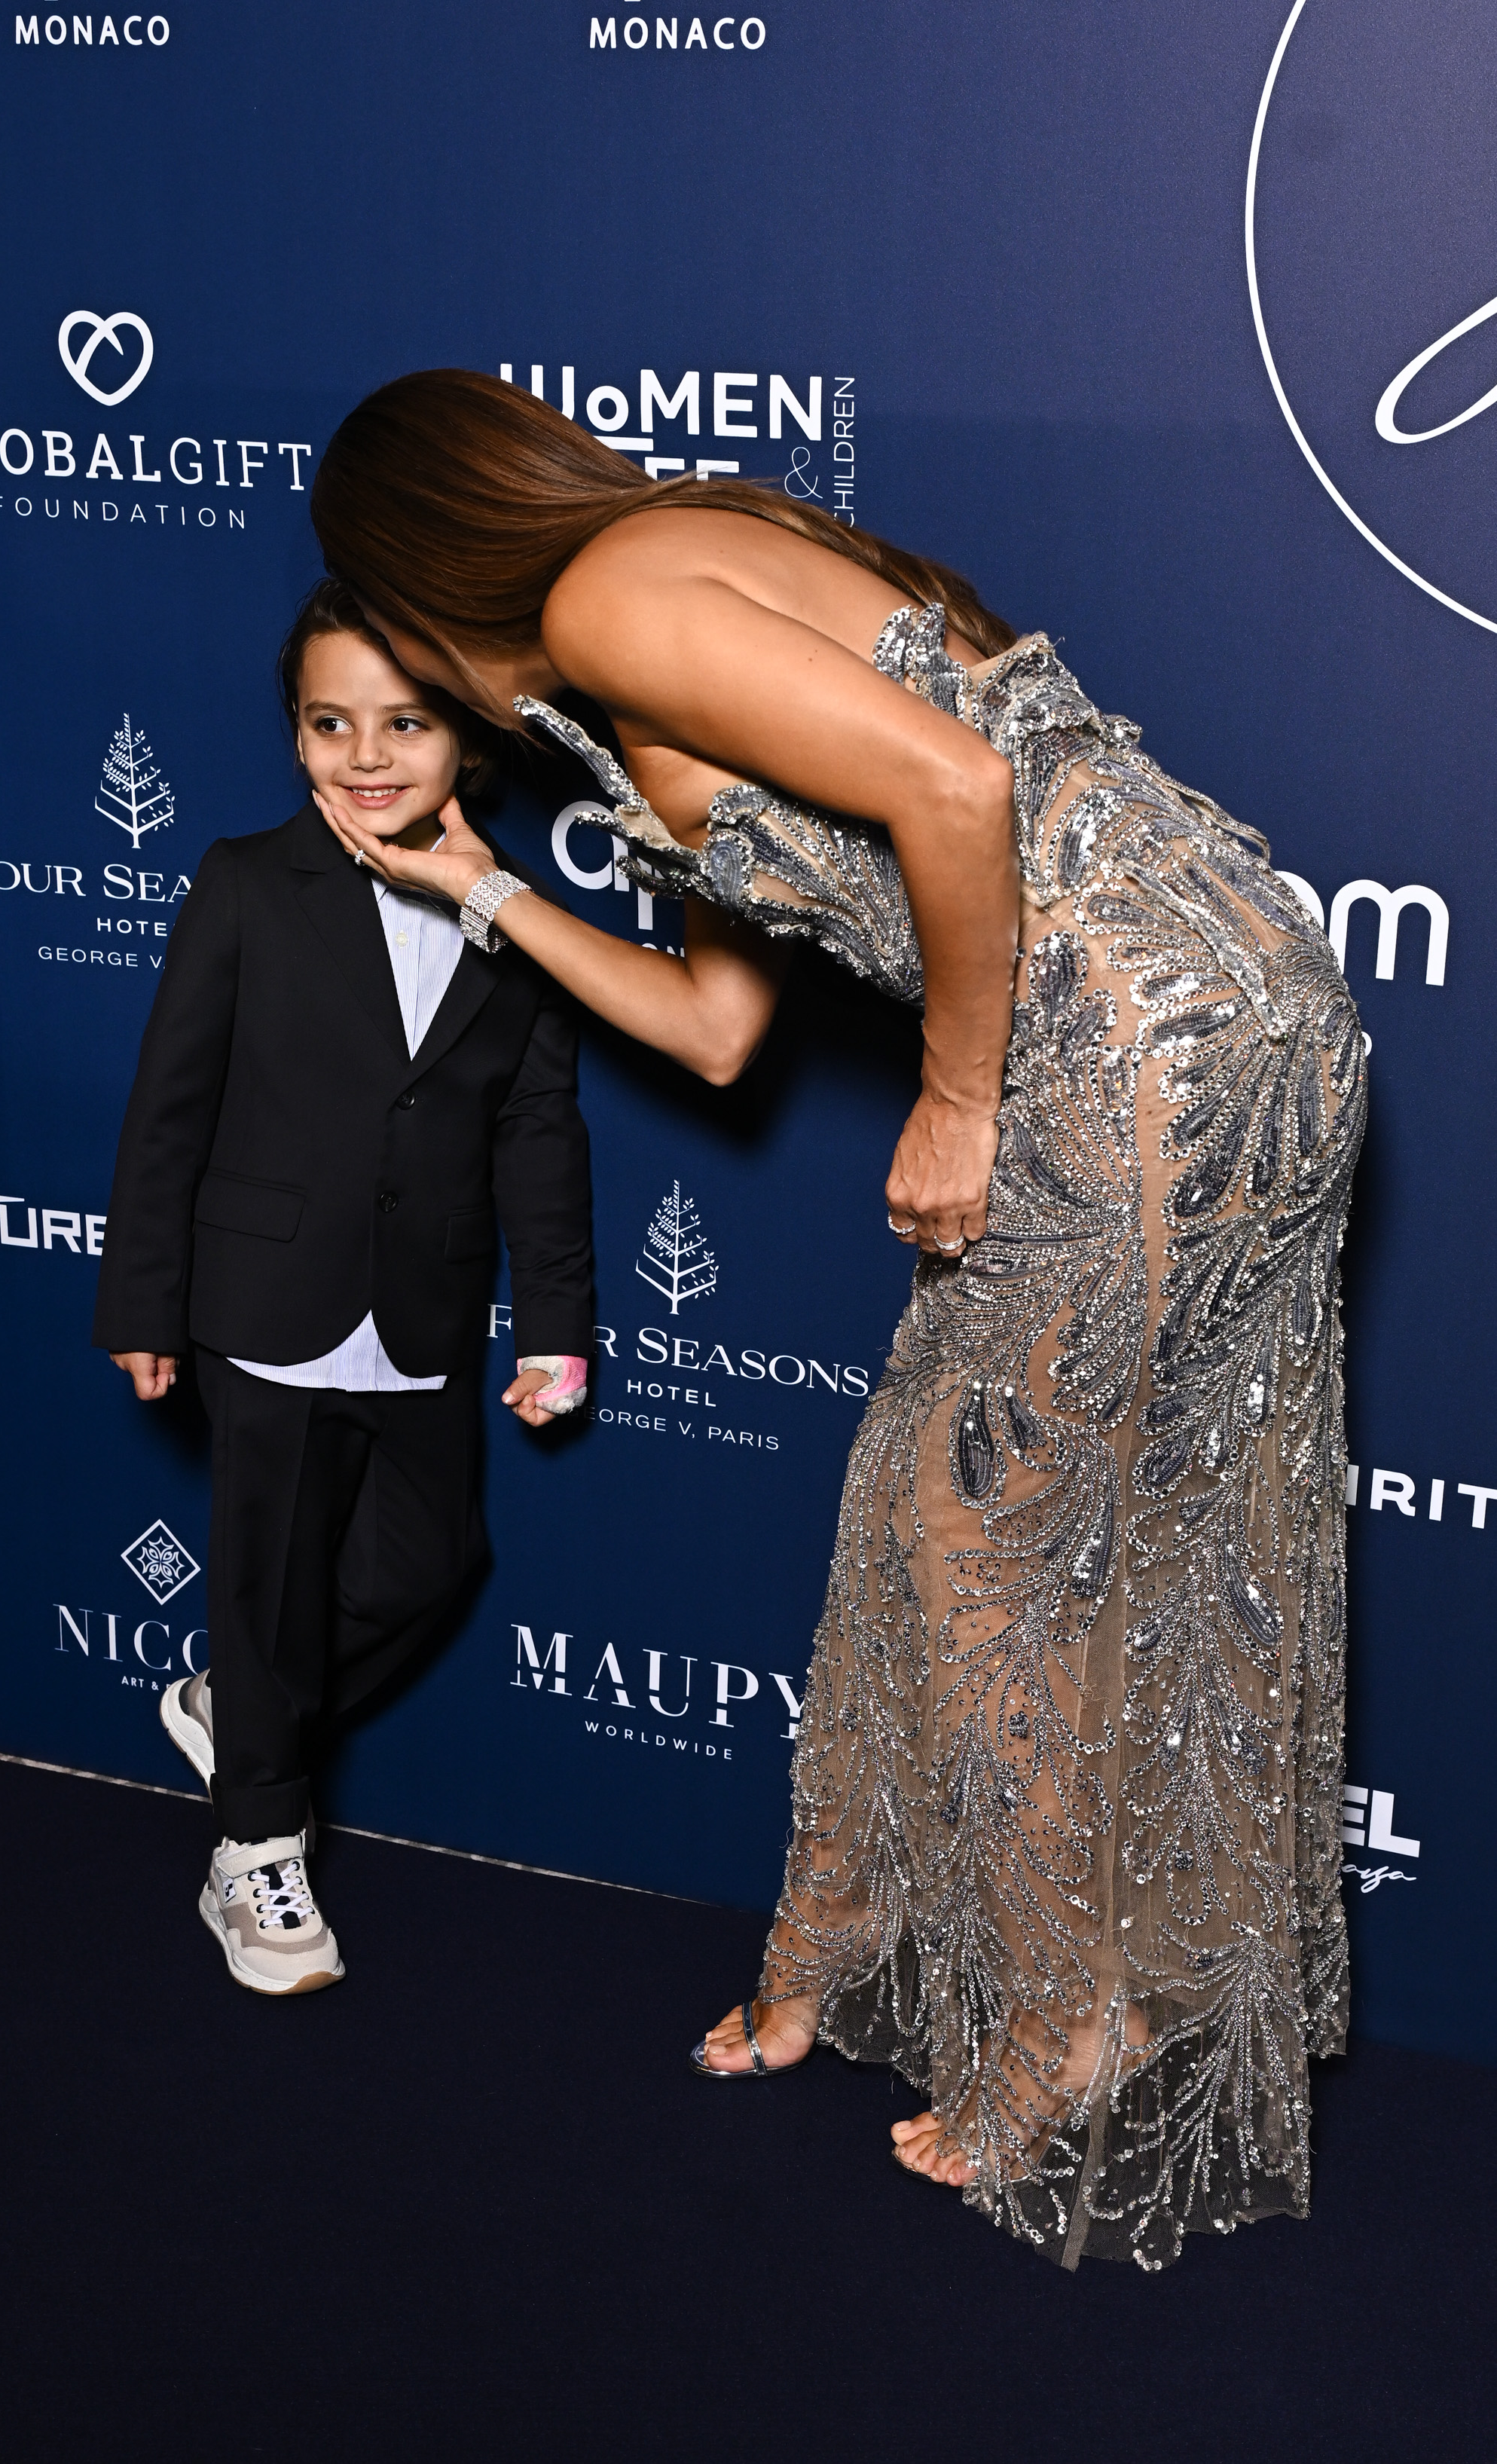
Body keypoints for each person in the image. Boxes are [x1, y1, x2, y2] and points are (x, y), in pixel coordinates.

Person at [306, 369, 1366, 2266]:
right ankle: (892, 1961)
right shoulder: (625, 658)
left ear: (409, 562)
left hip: (1135, 1045)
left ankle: (1078, 2017)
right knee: (984, 1528)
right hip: (1212, 1017)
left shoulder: (608, 597)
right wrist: (477, 887)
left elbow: (959, 792)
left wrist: (956, 1092)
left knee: (983, 1553)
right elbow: (719, 1035)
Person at [92, 579, 594, 1995]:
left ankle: (233, 1711)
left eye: (406, 722)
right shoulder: (244, 882)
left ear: (468, 744)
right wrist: (143, 1300)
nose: (366, 753)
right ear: (296, 734)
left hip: (424, 1314)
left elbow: (537, 1135)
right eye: (331, 722)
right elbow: (167, 1110)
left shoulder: (516, 922)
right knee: (263, 1583)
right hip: (265, 1307)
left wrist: (555, 1323)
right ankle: (255, 1848)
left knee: (432, 1562)